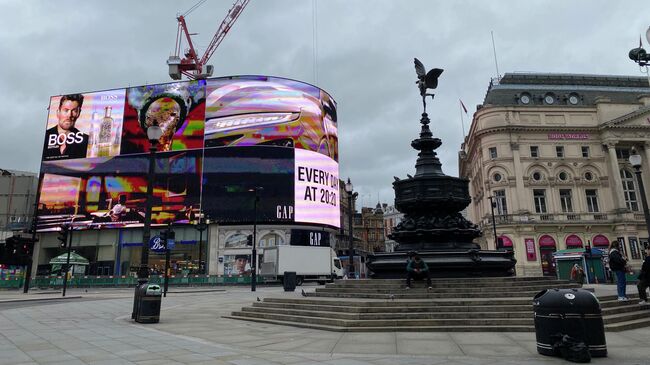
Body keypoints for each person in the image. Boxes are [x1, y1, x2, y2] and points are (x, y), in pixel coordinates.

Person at [43, 94, 89, 160]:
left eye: (74, 111)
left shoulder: (86, 140)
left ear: (79, 113)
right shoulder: (46, 136)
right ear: (58, 112)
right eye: (66, 110)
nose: (69, 115)